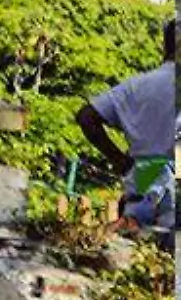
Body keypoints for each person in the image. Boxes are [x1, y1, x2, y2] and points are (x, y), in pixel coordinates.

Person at [75, 19, 176, 230]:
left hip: (143, 185)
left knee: (136, 254)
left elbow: (86, 116)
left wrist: (119, 160)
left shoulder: (137, 86)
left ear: (165, 46)